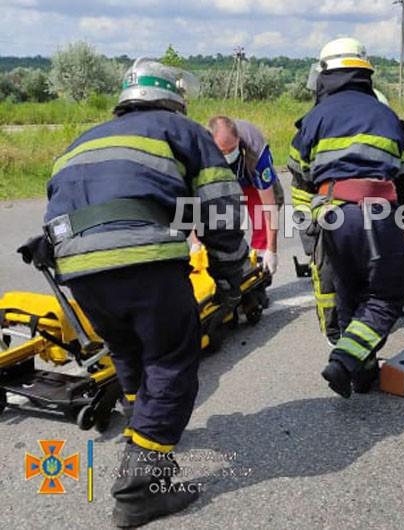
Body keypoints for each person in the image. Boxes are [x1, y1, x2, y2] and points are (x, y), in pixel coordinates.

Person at [42, 58, 247, 527]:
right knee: (172, 361)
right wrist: (230, 274)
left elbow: (57, 205)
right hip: (144, 260)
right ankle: (139, 490)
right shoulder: (182, 131)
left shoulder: (84, 139)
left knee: (128, 350)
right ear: (173, 98)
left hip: (79, 268)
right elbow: (220, 207)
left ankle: (142, 432)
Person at [289, 37, 404, 398]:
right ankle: (345, 361)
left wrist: (311, 233)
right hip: (375, 212)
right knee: (386, 296)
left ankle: (362, 375)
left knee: (350, 295)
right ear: (365, 72)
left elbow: (300, 181)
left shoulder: (312, 119)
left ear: (324, 75)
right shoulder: (385, 116)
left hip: (331, 217)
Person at [209, 116, 282, 275]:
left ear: (238, 140)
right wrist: (196, 244)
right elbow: (196, 200)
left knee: (261, 216)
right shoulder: (203, 150)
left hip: (250, 179)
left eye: (231, 149)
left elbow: (269, 206)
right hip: (222, 182)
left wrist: (271, 250)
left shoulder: (256, 152)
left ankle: (259, 259)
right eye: (223, 151)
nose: (228, 154)